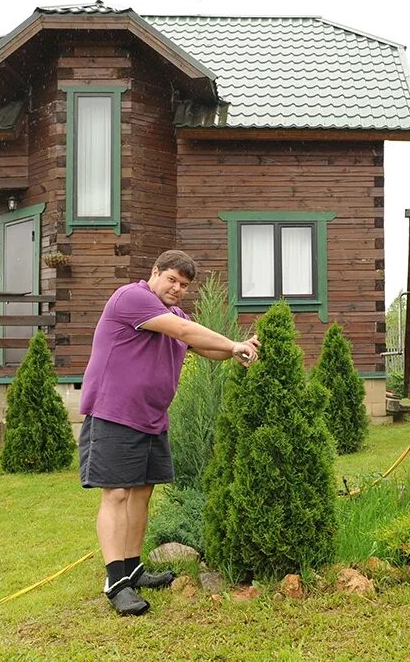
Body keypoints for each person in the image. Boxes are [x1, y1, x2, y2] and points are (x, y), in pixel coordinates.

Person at [79, 250, 259, 615]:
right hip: (114, 414)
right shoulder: (132, 298)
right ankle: (116, 582)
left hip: (150, 418)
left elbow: (202, 345)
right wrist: (232, 343)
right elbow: (183, 331)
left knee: (142, 493)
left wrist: (237, 350)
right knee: (115, 494)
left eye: (184, 285)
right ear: (155, 272)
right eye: (172, 279)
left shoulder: (174, 314)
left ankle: (133, 569)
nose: (177, 288)